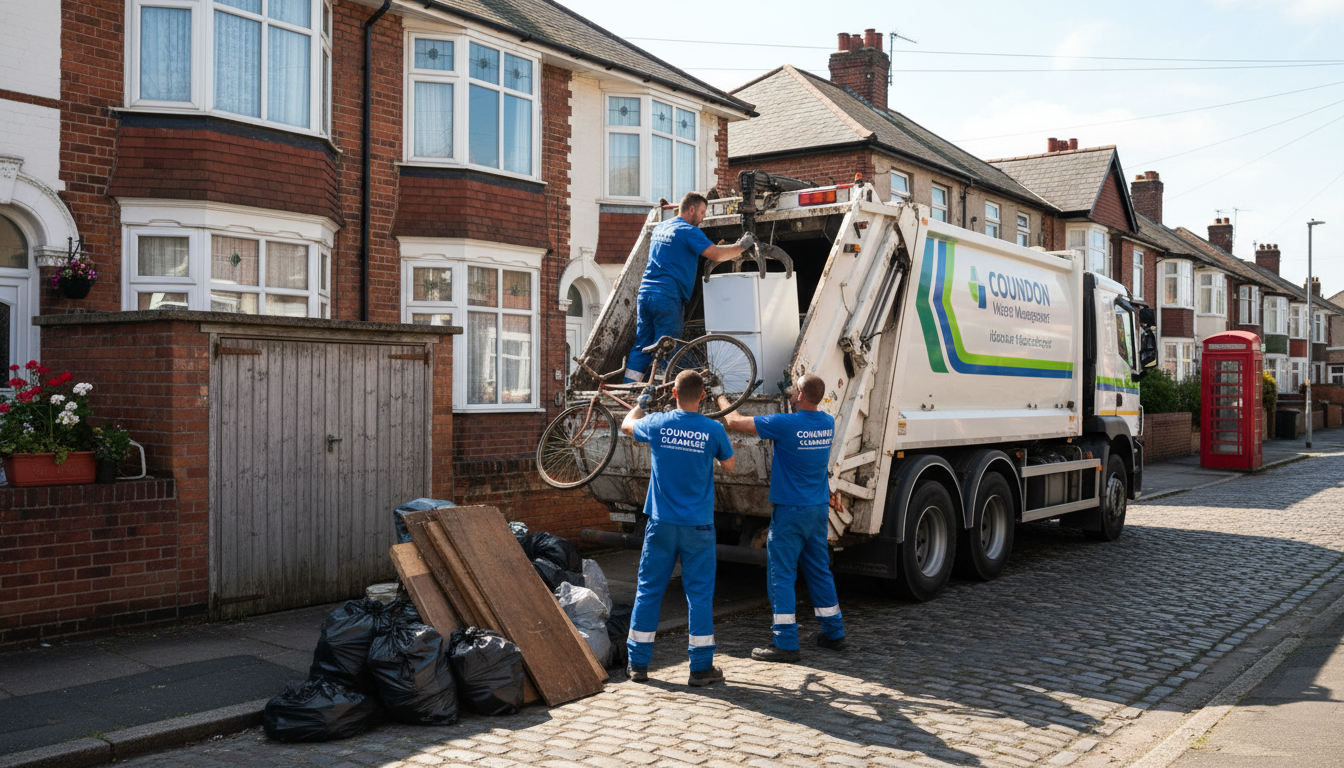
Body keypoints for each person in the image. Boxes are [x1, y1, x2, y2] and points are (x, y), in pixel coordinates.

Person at [719, 373, 846, 662]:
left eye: (793, 390)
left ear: (800, 396)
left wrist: (720, 395)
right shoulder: (827, 422)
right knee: (819, 571)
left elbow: (735, 423)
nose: (790, 394)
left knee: (781, 574)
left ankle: (786, 643)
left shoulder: (786, 424)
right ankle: (834, 634)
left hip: (790, 511)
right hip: (816, 509)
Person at [622, 369, 736, 685]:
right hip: (698, 526)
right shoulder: (712, 429)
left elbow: (626, 425)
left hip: (661, 524)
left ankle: (638, 665)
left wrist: (642, 403)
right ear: (702, 395)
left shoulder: (657, 423)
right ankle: (700, 669)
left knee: (648, 590)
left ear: (673, 393)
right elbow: (730, 465)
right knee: (699, 595)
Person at [625, 192, 757, 382]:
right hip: (668, 297)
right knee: (667, 347)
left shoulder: (661, 227)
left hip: (645, 294)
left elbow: (672, 247)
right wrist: (741, 246)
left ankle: (629, 389)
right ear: (692, 209)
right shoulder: (689, 231)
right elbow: (717, 255)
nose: (704, 218)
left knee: (642, 344)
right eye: (702, 212)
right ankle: (664, 391)